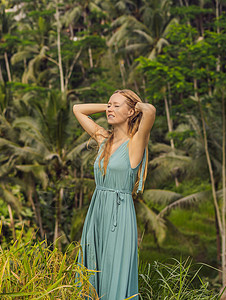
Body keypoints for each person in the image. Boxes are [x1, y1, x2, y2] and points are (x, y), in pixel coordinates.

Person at [73, 89, 156, 299]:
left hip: (119, 217)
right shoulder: (103, 139)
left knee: (113, 269)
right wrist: (109, 106)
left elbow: (151, 111)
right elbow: (78, 110)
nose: (110, 109)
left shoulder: (136, 143)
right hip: (97, 212)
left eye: (116, 106)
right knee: (92, 266)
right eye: (109, 105)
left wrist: (134, 107)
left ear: (130, 112)